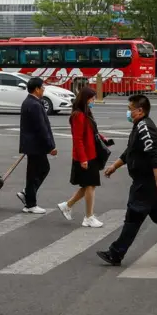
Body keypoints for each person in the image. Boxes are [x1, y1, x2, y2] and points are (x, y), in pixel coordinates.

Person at [96, 94, 157, 267]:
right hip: (146, 182)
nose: (128, 112)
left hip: (145, 182)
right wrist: (114, 166)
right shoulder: (139, 126)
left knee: (133, 217)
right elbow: (130, 152)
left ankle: (116, 253)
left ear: (140, 110)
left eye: (130, 109)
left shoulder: (145, 127)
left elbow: (154, 154)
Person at [58, 86, 104, 228]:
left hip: (91, 153)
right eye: (91, 98)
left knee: (88, 185)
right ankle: (88, 217)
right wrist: (83, 158)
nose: (93, 101)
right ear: (85, 99)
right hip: (85, 156)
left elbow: (91, 132)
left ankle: (67, 205)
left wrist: (103, 139)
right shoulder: (78, 115)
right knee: (90, 185)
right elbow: (77, 139)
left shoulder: (86, 113)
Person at [17, 76, 57, 214]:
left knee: (35, 172)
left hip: (32, 145)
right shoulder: (34, 104)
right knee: (40, 170)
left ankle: (27, 195)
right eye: (42, 87)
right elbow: (41, 128)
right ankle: (30, 203)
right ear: (37, 89)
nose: (44, 89)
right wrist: (50, 146)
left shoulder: (30, 102)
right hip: (35, 145)